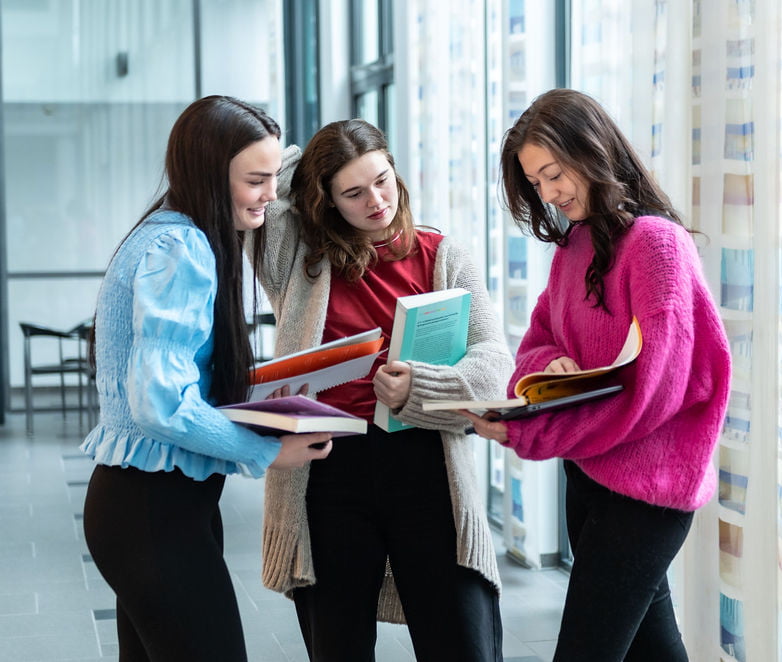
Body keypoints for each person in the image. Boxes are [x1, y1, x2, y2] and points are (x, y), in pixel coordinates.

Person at [461, 88, 732, 662]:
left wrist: (526, 431)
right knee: (655, 651)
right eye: (536, 183)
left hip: (647, 492)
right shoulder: (574, 247)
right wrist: (548, 365)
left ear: (592, 150)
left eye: (555, 173)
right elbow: (536, 343)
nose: (550, 194)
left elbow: (652, 392)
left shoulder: (657, 245)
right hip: (589, 474)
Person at [79, 95, 334, 662]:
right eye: (256, 180)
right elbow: (161, 404)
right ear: (208, 174)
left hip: (143, 506)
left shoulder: (162, 231)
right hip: (155, 512)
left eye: (273, 177)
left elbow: (279, 176)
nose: (272, 193)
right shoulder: (185, 247)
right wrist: (266, 453)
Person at [249, 118, 511, 661]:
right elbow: (270, 192)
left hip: (429, 466)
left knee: (463, 642)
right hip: (327, 471)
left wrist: (422, 386)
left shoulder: (444, 255)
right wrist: (316, 166)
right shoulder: (301, 261)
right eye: (352, 191)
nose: (376, 201)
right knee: (338, 644)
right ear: (323, 200)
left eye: (383, 180)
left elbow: (494, 364)